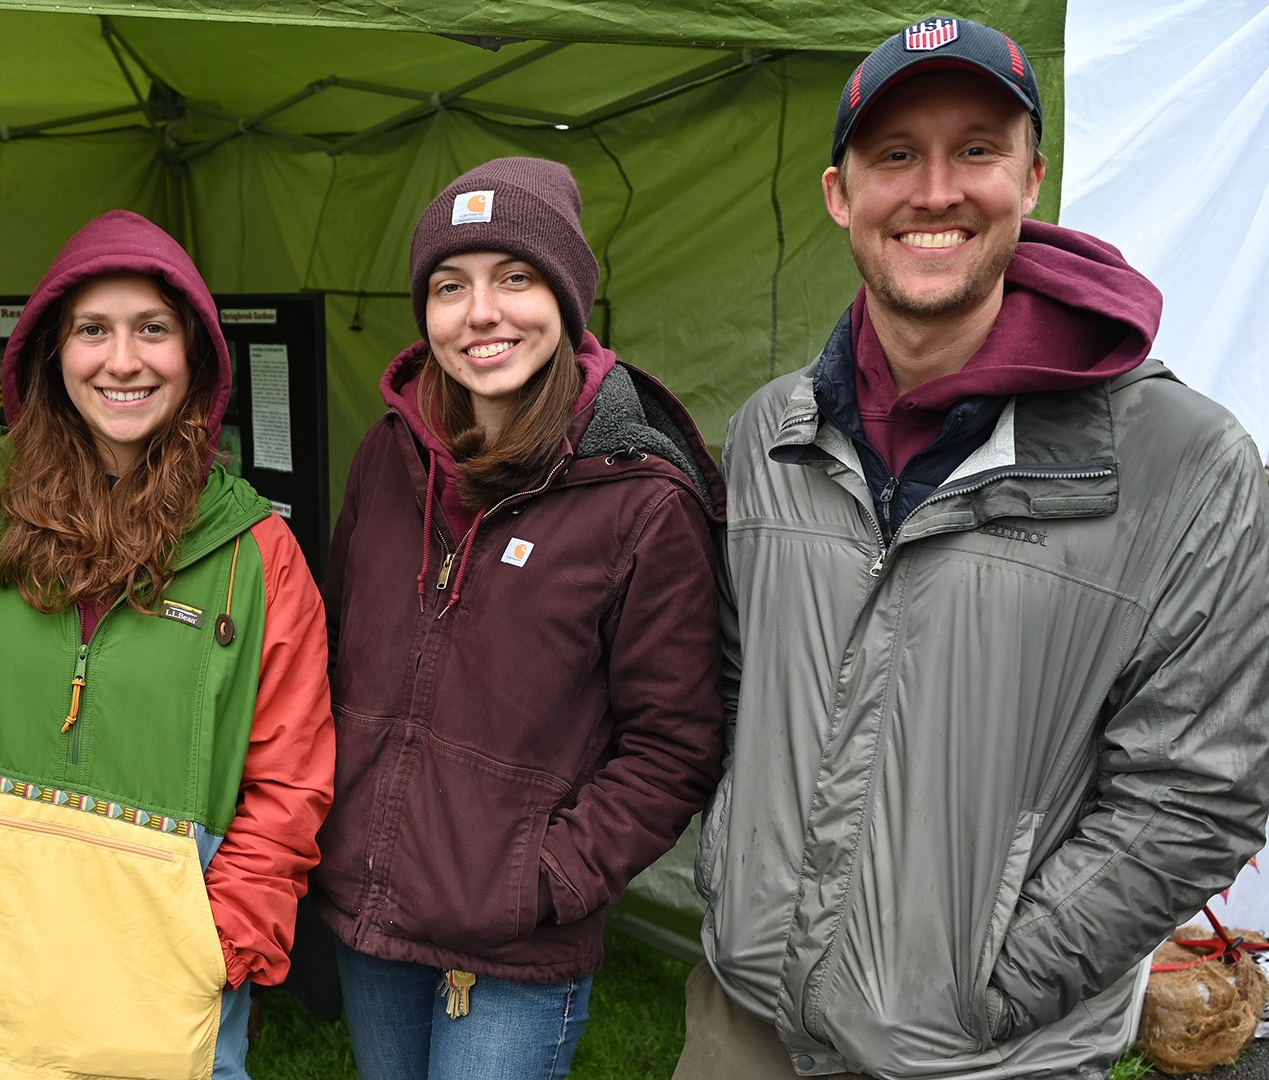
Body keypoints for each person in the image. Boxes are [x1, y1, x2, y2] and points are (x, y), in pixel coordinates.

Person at [678, 17, 1269, 1080]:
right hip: (744, 1025)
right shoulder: (771, 435)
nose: (936, 190)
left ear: (1032, 180)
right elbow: (737, 685)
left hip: (982, 1056)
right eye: (896, 155)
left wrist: (985, 989)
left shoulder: (1186, 464)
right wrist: (734, 881)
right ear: (838, 194)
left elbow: (1200, 789)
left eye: (978, 150)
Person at [0, 210, 335, 1079]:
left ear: (198, 357)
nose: (123, 360)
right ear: (50, 353)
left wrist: (228, 941)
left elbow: (291, 778)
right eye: (93, 330)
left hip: (152, 987)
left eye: (153, 330)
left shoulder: (259, 556)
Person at [312, 157, 727, 1078]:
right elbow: (339, 654)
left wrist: (545, 879)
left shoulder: (641, 497)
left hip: (511, 945)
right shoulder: (388, 457)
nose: (482, 313)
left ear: (568, 300)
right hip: (371, 905)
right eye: (450, 286)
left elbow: (677, 742)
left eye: (515, 278)